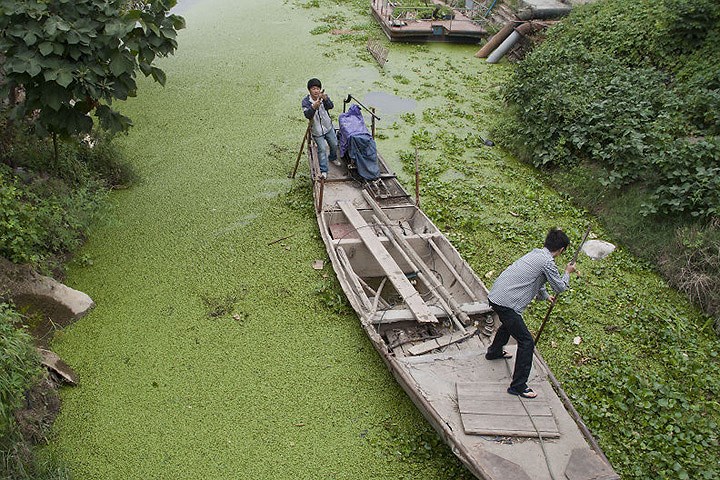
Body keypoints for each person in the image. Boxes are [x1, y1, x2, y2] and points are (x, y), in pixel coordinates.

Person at [485, 228, 576, 399]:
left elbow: (536, 279)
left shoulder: (536, 254)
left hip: (496, 296)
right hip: (507, 304)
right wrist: (567, 273)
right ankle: (518, 386)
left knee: (508, 324)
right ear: (562, 250)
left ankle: (494, 352)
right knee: (526, 342)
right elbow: (560, 287)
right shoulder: (548, 262)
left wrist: (544, 295)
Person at [301, 78, 340, 179]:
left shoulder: (323, 98)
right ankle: (324, 170)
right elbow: (307, 115)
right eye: (314, 88)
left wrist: (326, 99)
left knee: (334, 144)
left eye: (318, 88)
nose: (316, 91)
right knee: (322, 149)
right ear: (309, 90)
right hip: (317, 130)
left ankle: (332, 157)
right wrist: (314, 107)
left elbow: (330, 106)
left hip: (328, 127)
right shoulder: (306, 102)